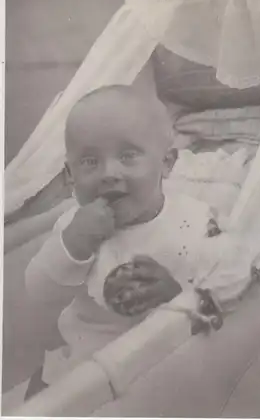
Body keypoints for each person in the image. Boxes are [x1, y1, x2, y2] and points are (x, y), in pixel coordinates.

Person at [24, 84, 248, 398]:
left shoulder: (194, 221)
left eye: (128, 156)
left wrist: (178, 294)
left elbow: (233, 281)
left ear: (167, 163)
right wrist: (75, 244)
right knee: (39, 394)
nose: (108, 173)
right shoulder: (75, 225)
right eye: (89, 161)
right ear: (70, 175)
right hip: (81, 366)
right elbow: (39, 294)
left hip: (162, 368)